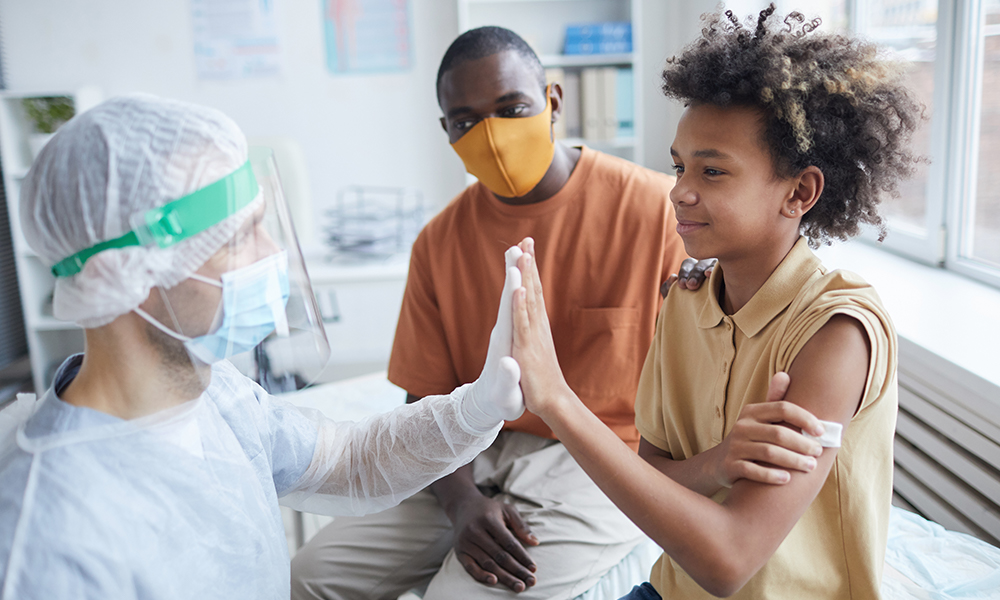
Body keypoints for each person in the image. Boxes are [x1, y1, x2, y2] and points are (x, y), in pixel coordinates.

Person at [291, 26, 820, 600]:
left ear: (553, 103)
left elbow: (713, 359)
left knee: (459, 596)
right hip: (472, 450)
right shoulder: (438, 243)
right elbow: (424, 396)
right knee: (308, 576)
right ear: (446, 132)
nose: (490, 135)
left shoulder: (662, 216)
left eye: (511, 108)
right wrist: (464, 504)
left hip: (599, 455)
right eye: (465, 121)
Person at [0, 93, 527, 600]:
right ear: (128, 274)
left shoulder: (214, 395)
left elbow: (350, 459)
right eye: (239, 237)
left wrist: (476, 408)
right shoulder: (48, 536)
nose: (272, 254)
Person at [510, 5, 921, 599]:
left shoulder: (838, 333)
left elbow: (729, 562)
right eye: (679, 166)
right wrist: (714, 464)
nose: (679, 191)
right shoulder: (686, 300)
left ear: (799, 192)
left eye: (713, 171)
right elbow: (648, 475)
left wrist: (555, 399)